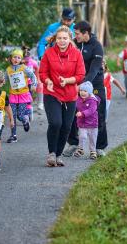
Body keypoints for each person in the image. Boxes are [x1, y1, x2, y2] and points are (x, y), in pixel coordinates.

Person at [39, 26, 85, 167]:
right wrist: (48, 81)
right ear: (55, 39)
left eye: (65, 38)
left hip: (70, 94)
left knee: (66, 126)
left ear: (70, 39)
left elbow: (80, 75)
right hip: (52, 92)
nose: (62, 41)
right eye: (59, 38)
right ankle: (52, 153)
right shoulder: (49, 53)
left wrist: (67, 81)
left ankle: (58, 155)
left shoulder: (77, 54)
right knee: (55, 123)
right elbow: (42, 73)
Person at [63, 21, 108, 157]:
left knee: (98, 114)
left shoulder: (96, 46)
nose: (75, 36)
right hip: (75, 83)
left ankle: (99, 147)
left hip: (94, 84)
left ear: (86, 33)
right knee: (72, 113)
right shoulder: (75, 44)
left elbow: (94, 70)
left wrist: (82, 86)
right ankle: (73, 143)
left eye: (77, 34)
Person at [5, 49, 37, 143]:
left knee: (20, 115)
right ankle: (13, 136)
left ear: (21, 59)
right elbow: (4, 79)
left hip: (23, 95)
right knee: (12, 115)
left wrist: (34, 84)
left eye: (19, 57)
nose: (16, 59)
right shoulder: (8, 69)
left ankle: (26, 119)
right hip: (13, 95)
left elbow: (33, 76)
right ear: (11, 58)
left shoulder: (24, 68)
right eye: (14, 57)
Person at [74, 81, 100, 160]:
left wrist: (82, 113)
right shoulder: (78, 99)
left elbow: (92, 110)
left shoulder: (93, 100)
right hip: (82, 123)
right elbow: (74, 106)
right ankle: (80, 149)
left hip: (92, 123)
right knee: (82, 136)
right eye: (81, 91)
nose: (82, 93)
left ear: (89, 92)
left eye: (85, 91)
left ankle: (93, 151)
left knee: (93, 138)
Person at [22, 46, 42, 113]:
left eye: (27, 58)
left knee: (29, 95)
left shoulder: (33, 62)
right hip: (21, 83)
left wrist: (37, 79)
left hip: (29, 83)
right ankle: (22, 106)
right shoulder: (20, 62)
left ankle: (29, 107)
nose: (26, 60)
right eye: (25, 58)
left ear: (29, 56)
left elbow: (37, 69)